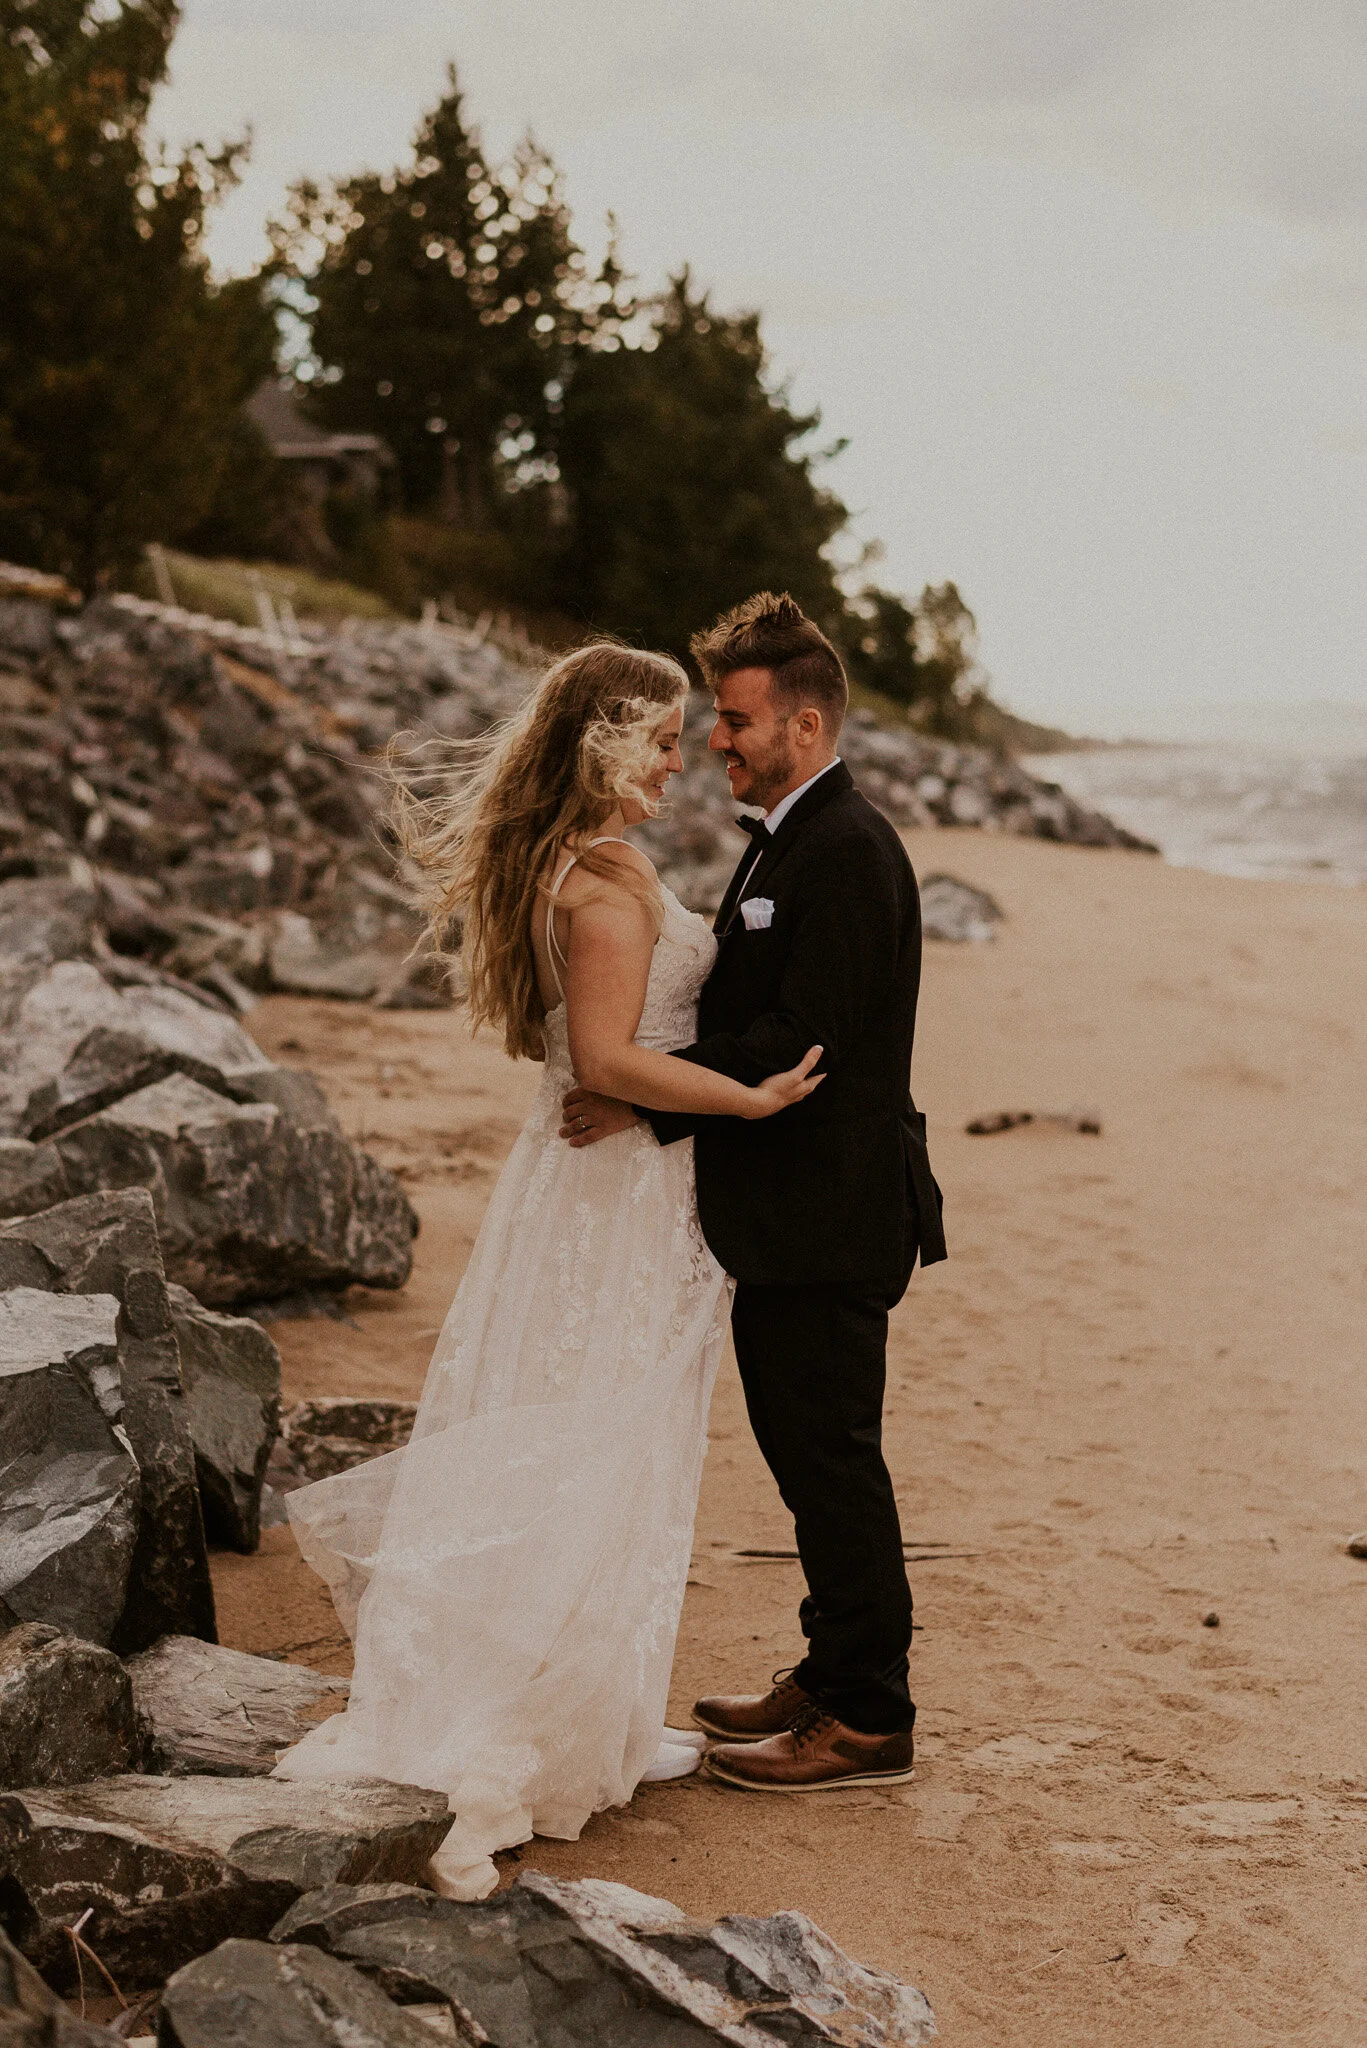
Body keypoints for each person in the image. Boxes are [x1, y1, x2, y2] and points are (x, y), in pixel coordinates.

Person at [272, 640, 822, 1899]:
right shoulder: (607, 888)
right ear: (600, 740)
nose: (680, 763)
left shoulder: (584, 866)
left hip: (594, 1185)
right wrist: (747, 1098)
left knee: (600, 1428)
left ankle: (599, 1715)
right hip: (610, 1202)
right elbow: (607, 1061)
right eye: (662, 738)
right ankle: (526, 1719)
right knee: (592, 1431)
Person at [562, 592, 945, 1793]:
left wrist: (642, 1092)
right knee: (804, 1455)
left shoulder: (845, 848)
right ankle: (829, 1672)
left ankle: (867, 1716)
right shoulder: (788, 835)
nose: (716, 740)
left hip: (829, 1217)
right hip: (787, 1216)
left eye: (733, 719)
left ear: (806, 719)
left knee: (831, 1459)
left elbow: (800, 1037)